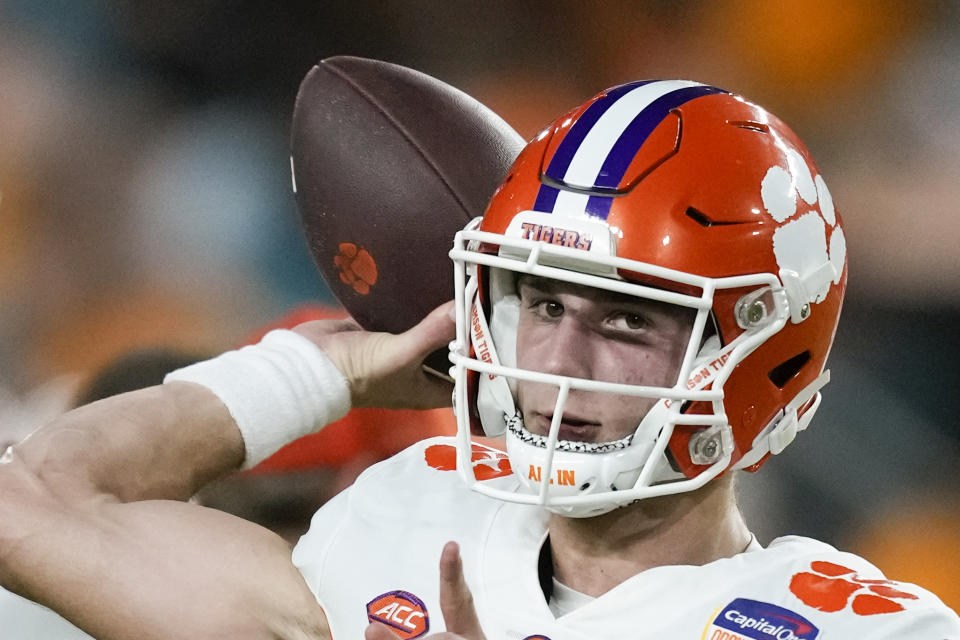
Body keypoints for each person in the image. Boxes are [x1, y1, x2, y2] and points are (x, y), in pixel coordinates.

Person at [1, 79, 957, 640]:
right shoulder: (410, 515)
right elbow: (37, 503)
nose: (557, 358)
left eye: (628, 321)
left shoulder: (859, 628)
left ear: (762, 359)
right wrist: (325, 368)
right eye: (539, 301)